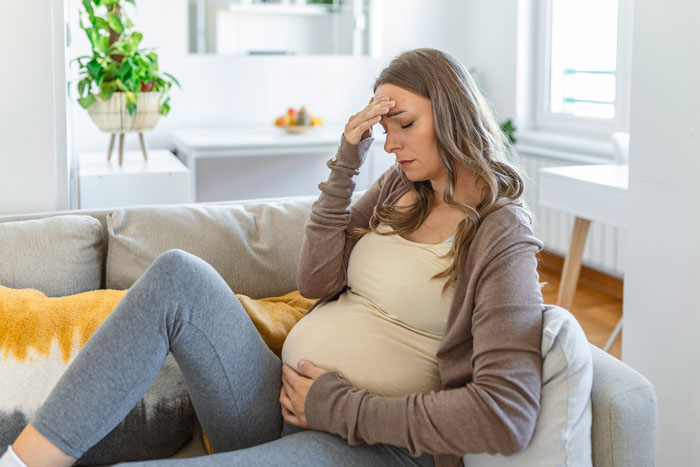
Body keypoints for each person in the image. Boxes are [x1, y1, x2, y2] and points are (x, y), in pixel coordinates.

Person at [1, 48, 544, 467]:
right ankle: (22, 461)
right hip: (277, 403)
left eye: (406, 124)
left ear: (451, 112)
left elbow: (507, 414)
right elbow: (314, 280)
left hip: (370, 444)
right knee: (178, 273)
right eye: (385, 130)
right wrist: (346, 163)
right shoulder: (399, 187)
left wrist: (336, 407)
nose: (393, 142)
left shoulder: (501, 235)